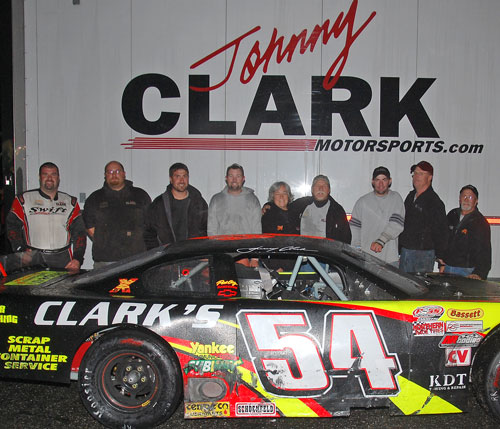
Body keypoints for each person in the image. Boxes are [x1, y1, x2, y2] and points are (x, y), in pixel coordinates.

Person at [6, 162, 86, 271]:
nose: (49, 178)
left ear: (58, 178)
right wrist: (20, 250)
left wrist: (77, 259)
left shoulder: (70, 202)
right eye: (45, 174)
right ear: (40, 177)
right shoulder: (23, 200)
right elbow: (11, 226)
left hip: (63, 259)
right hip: (34, 258)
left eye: (53, 174)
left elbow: (80, 233)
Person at [83, 161, 151, 268]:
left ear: (124, 174)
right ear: (105, 175)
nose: (114, 175)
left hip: (137, 259)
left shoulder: (140, 195)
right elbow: (90, 228)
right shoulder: (94, 198)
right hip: (105, 261)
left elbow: (150, 224)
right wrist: (106, 240)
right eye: (110, 172)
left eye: (118, 171)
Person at [399, 161, 448, 273]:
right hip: (406, 250)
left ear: (430, 177)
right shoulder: (411, 196)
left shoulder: (434, 201)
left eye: (421, 173)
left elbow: (441, 231)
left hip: (423, 254)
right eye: (415, 173)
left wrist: (441, 256)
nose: (416, 176)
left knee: (418, 283)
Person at [144, 162, 207, 249]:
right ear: (171, 179)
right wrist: (158, 252)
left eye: (184, 176)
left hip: (193, 254)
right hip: (168, 255)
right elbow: (149, 233)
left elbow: (206, 229)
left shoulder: (199, 202)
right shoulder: (159, 204)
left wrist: (201, 250)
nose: (182, 180)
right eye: (177, 176)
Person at [350, 166, 405, 264]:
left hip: (390, 260)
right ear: (372, 182)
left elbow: (396, 225)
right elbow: (354, 229)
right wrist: (356, 251)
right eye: (377, 180)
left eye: (384, 180)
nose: (380, 184)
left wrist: (381, 241)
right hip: (367, 260)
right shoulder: (362, 202)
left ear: (390, 181)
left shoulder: (395, 198)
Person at [439, 185, 491, 280]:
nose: (466, 200)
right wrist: (441, 263)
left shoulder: (480, 222)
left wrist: (479, 273)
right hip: (448, 268)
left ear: (476, 201)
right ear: (459, 199)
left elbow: (485, 251)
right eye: (464, 196)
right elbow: (443, 239)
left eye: (470, 197)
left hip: (467, 271)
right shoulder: (452, 215)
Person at [292, 175, 351, 243]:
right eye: (317, 185)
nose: (321, 188)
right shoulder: (299, 205)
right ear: (312, 190)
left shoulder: (337, 211)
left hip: (327, 250)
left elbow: (346, 239)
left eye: (324, 186)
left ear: (329, 190)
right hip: (302, 249)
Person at [207, 163, 261, 235]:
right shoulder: (216, 200)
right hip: (222, 242)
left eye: (238, 176)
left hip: (246, 242)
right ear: (226, 178)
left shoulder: (253, 200)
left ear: (243, 179)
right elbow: (211, 229)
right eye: (231, 176)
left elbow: (257, 230)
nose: (234, 180)